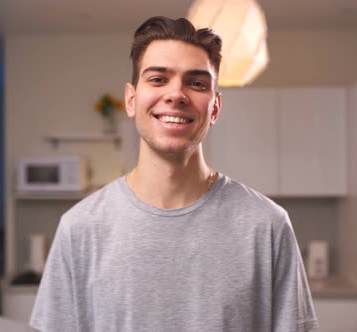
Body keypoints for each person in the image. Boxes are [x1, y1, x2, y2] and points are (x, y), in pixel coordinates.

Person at [30, 16, 318, 332]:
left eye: (196, 83)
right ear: (131, 99)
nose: (176, 94)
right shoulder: (80, 228)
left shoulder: (266, 226)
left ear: (216, 108)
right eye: (157, 79)